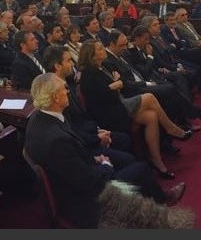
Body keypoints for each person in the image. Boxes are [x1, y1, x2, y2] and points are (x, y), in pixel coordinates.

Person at [24, 72, 185, 228]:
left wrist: (95, 159)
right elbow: (87, 181)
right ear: (55, 97)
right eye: (64, 88)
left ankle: (147, 203)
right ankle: (159, 203)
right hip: (83, 199)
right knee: (141, 169)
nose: (67, 91)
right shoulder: (56, 140)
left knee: (129, 160)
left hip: (76, 173)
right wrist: (105, 166)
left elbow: (71, 158)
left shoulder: (40, 117)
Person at [77, 40, 191, 180]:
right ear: (92, 55)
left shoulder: (105, 65)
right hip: (110, 113)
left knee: (151, 116)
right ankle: (171, 129)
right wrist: (116, 85)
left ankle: (157, 161)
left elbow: (123, 82)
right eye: (100, 49)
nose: (104, 50)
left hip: (119, 103)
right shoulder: (88, 76)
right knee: (149, 97)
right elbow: (106, 98)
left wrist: (116, 85)